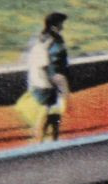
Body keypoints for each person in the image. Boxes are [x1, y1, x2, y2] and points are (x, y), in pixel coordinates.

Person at [17, 12, 70, 143]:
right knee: (46, 115)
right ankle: (40, 144)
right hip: (46, 84)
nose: (62, 27)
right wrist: (65, 90)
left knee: (51, 114)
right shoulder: (53, 43)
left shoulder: (43, 38)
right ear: (54, 26)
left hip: (38, 82)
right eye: (60, 24)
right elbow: (53, 69)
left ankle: (45, 142)